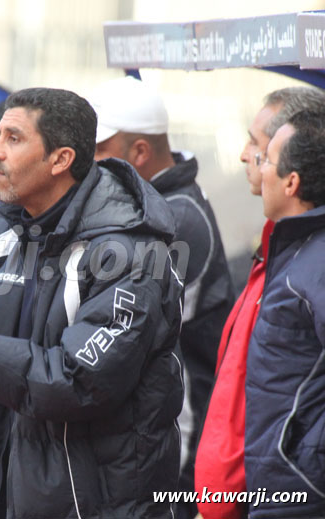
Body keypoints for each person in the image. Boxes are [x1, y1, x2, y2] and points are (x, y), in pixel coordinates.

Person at [0, 87, 185, 518]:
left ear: (60, 160)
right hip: (5, 495)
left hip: (98, 506)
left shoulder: (131, 255)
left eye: (13, 139)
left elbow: (79, 382)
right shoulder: (8, 233)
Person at [89, 75, 235, 519]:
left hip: (185, 429)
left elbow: (127, 330)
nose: (88, 163)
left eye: (99, 151)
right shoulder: (159, 200)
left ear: (139, 153)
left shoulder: (175, 216)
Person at [194, 86, 325, 519]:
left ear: (293, 176)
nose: (248, 158)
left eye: (263, 150)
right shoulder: (280, 247)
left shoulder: (314, 261)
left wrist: (304, 467)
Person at [243, 109, 325, 517]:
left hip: (300, 492)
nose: (257, 166)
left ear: (292, 182)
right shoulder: (295, 250)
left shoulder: (317, 261)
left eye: (267, 160)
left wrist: (308, 456)